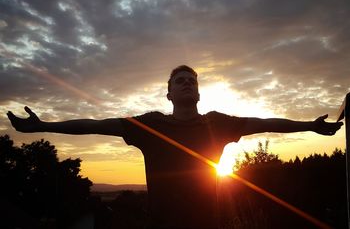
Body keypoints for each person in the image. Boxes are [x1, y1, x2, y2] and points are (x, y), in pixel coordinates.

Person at [7, 65, 343, 229]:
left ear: (198, 93)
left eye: (192, 80)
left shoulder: (217, 123)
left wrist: (310, 126)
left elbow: (266, 122)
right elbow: (96, 125)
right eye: (179, 80)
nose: (187, 83)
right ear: (169, 94)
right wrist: (43, 126)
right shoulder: (151, 125)